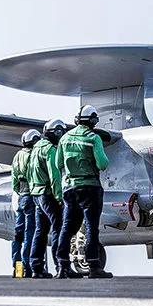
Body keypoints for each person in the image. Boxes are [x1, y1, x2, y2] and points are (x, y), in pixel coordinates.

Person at [55, 105, 110, 279]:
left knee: (67, 228)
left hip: (70, 189)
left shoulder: (64, 139)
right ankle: (94, 266)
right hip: (90, 189)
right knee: (92, 228)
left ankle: (62, 266)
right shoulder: (94, 138)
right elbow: (102, 164)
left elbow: (58, 164)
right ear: (93, 121)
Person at [27, 119, 66, 279]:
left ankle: (36, 267)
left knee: (40, 231)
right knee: (58, 228)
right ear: (55, 132)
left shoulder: (35, 149)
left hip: (36, 195)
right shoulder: (50, 150)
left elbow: (29, 173)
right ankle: (60, 266)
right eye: (60, 131)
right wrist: (59, 196)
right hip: (48, 195)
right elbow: (55, 175)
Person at [10, 129, 41, 278]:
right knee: (30, 233)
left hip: (21, 196)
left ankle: (17, 270)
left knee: (18, 234)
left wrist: (21, 192)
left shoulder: (17, 156)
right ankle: (27, 267)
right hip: (31, 195)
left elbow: (14, 182)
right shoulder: (34, 155)